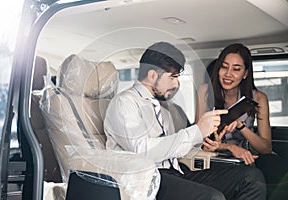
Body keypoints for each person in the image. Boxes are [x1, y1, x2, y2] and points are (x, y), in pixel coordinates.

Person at [104, 41, 266, 200]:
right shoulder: (125, 102)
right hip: (146, 178)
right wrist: (197, 130)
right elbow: (141, 151)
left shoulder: (162, 108)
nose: (176, 83)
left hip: (176, 170)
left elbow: (176, 147)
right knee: (212, 197)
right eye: (173, 77)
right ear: (152, 75)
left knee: (250, 178)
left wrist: (209, 140)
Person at [195, 43, 288, 199]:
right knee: (251, 176)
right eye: (224, 67)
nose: (228, 74)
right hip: (217, 155)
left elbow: (265, 147)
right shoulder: (205, 91)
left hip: (251, 155)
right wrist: (228, 147)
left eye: (236, 69)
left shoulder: (258, 98)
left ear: (245, 73)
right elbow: (199, 139)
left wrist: (241, 125)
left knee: (277, 169)